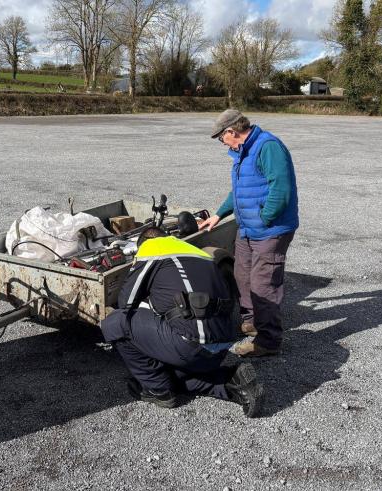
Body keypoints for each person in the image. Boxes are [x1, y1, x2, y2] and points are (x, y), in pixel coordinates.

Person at [100, 227, 263, 417]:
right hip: (220, 348)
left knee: (115, 322)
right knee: (175, 376)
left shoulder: (151, 248)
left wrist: (150, 301)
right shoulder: (198, 253)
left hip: (189, 347)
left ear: (143, 243)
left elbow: (125, 302)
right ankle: (231, 381)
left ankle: (158, 391)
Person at [199, 109, 299, 357]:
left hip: (270, 229)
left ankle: (268, 341)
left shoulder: (268, 147)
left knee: (263, 285)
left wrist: (264, 217)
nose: (221, 142)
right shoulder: (242, 153)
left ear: (231, 131)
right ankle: (252, 322)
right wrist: (219, 214)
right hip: (247, 228)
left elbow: (281, 189)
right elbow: (240, 191)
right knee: (242, 276)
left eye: (221, 137)